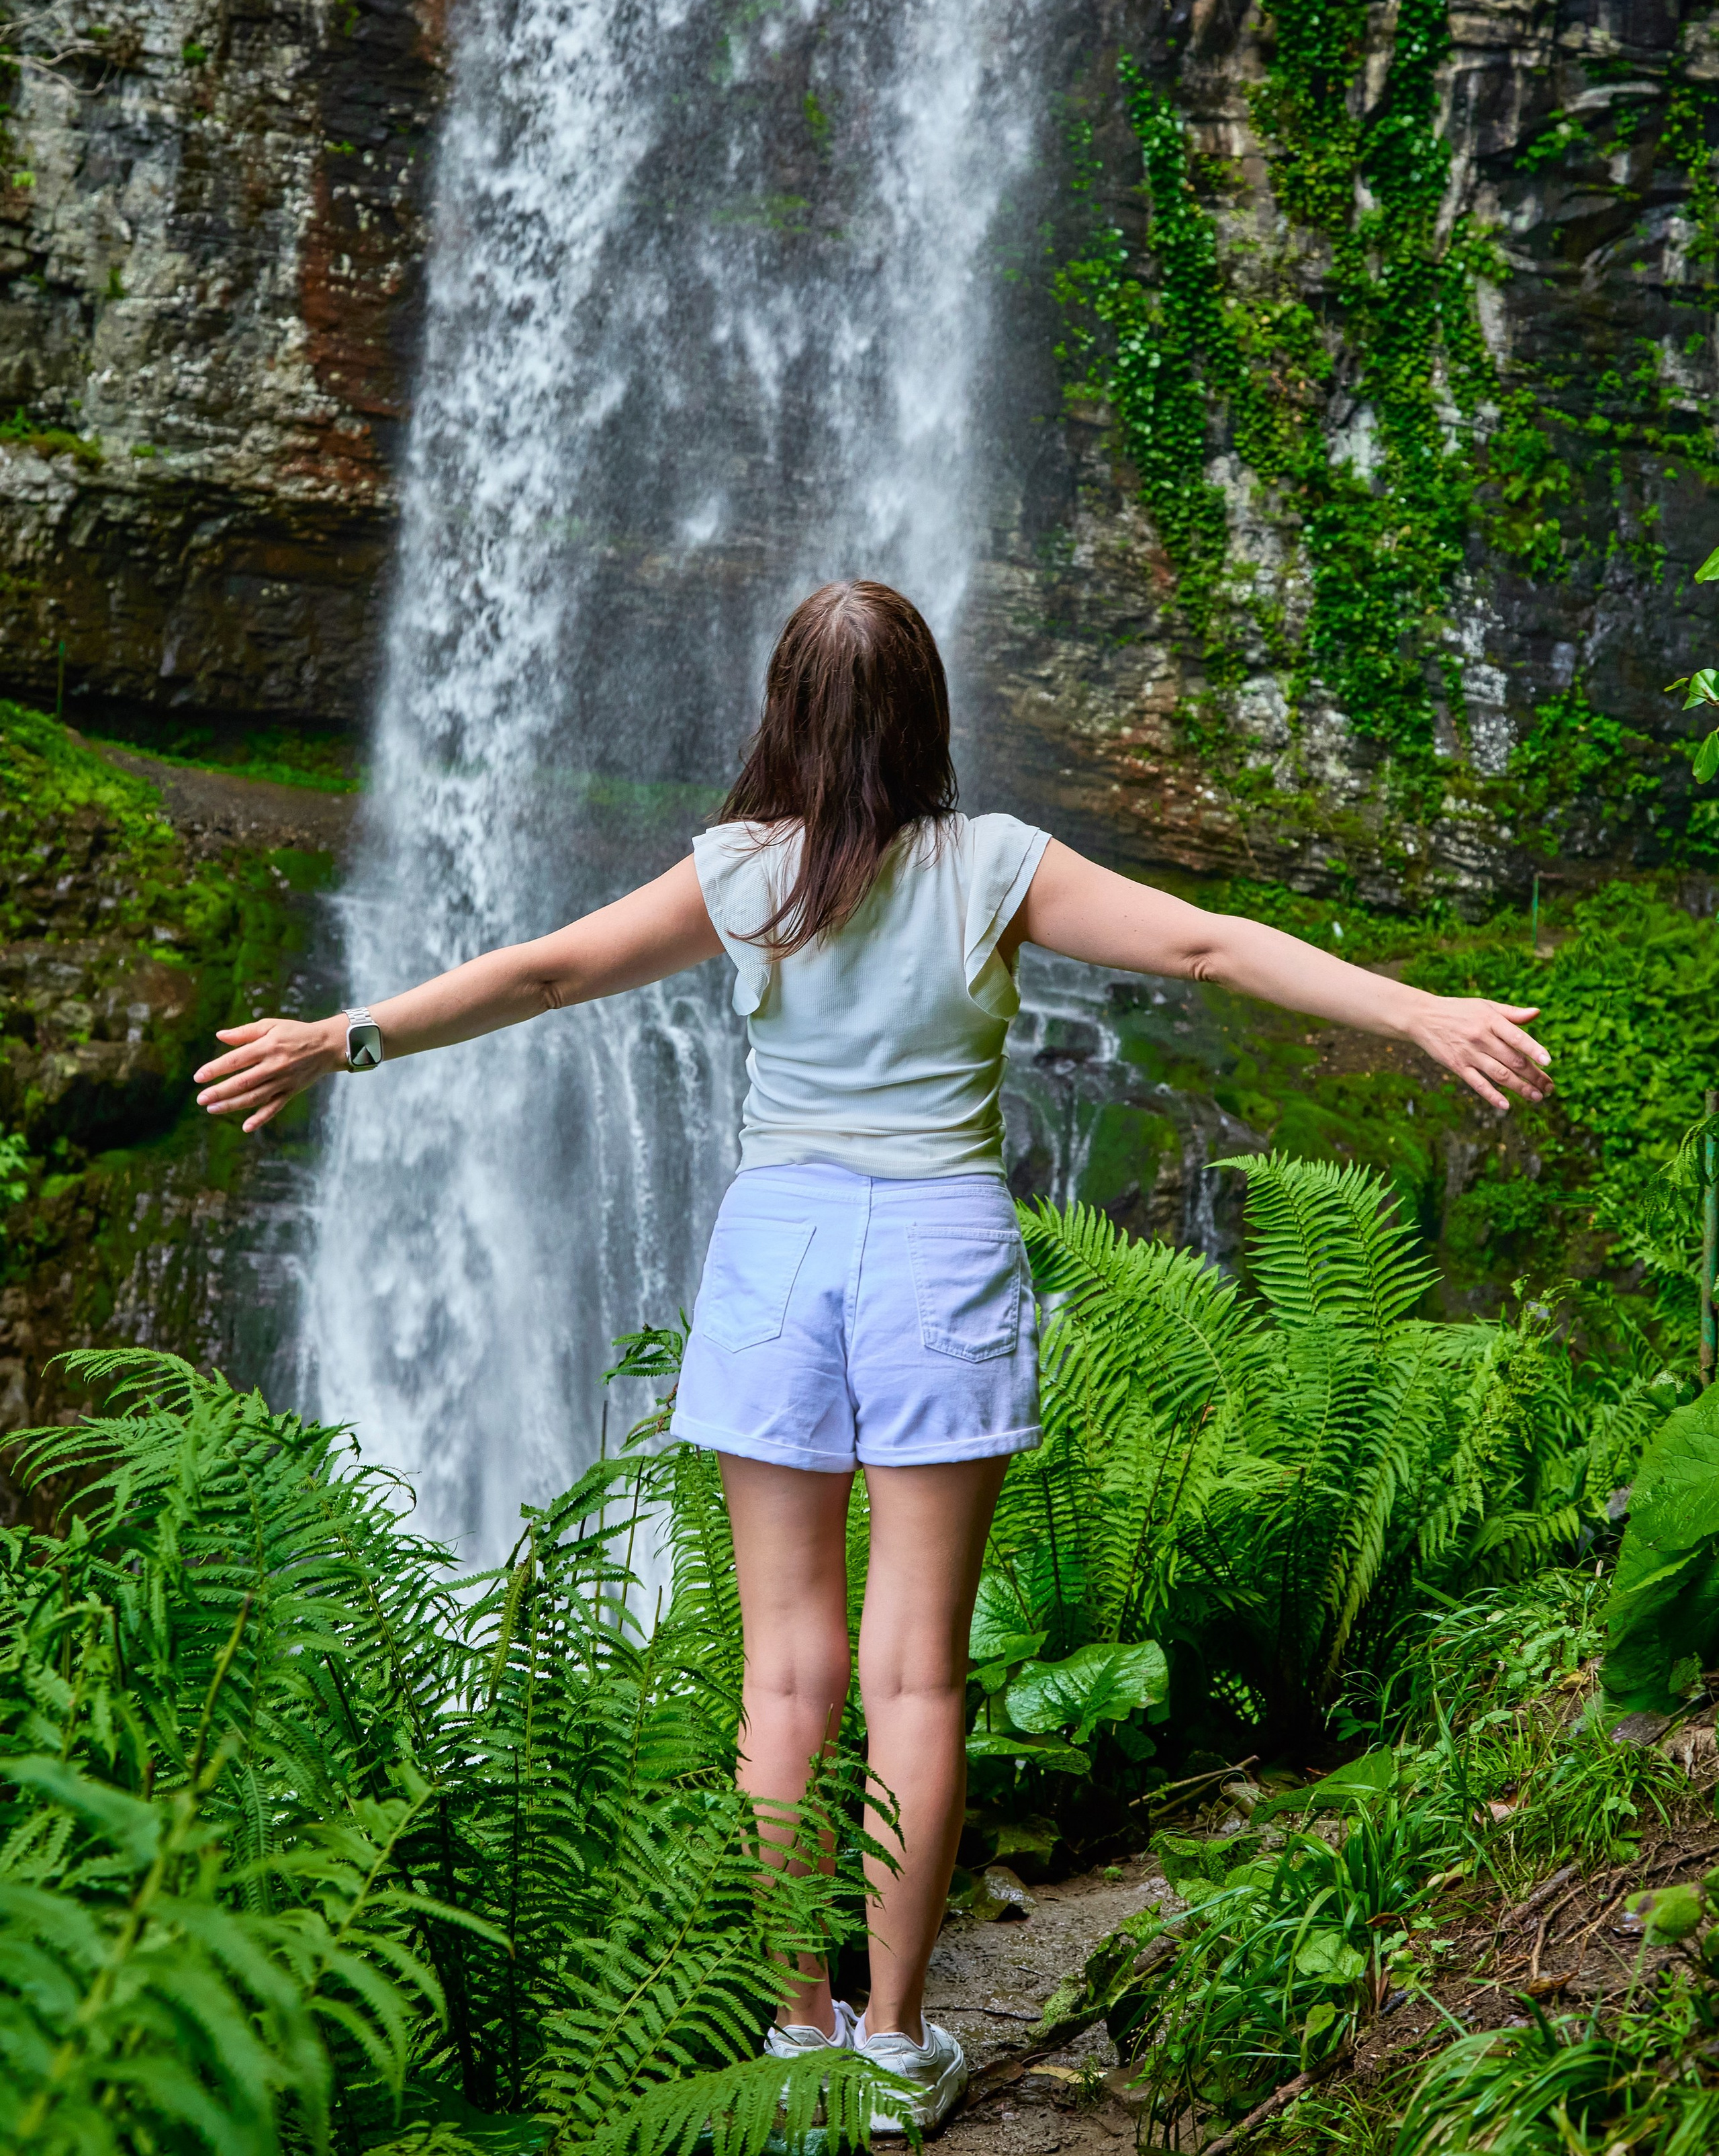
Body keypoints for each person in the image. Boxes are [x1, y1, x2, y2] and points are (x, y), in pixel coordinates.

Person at [194, 579, 1552, 2135]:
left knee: (784, 1671)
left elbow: (546, 970)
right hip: (934, 1260)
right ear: (926, 716)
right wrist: (1415, 1008)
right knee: (916, 1669)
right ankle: (898, 2045)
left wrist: (342, 1037)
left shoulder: (739, 874)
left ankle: (798, 2039)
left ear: (781, 712)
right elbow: (1204, 945)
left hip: (773, 1258)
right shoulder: (992, 867)